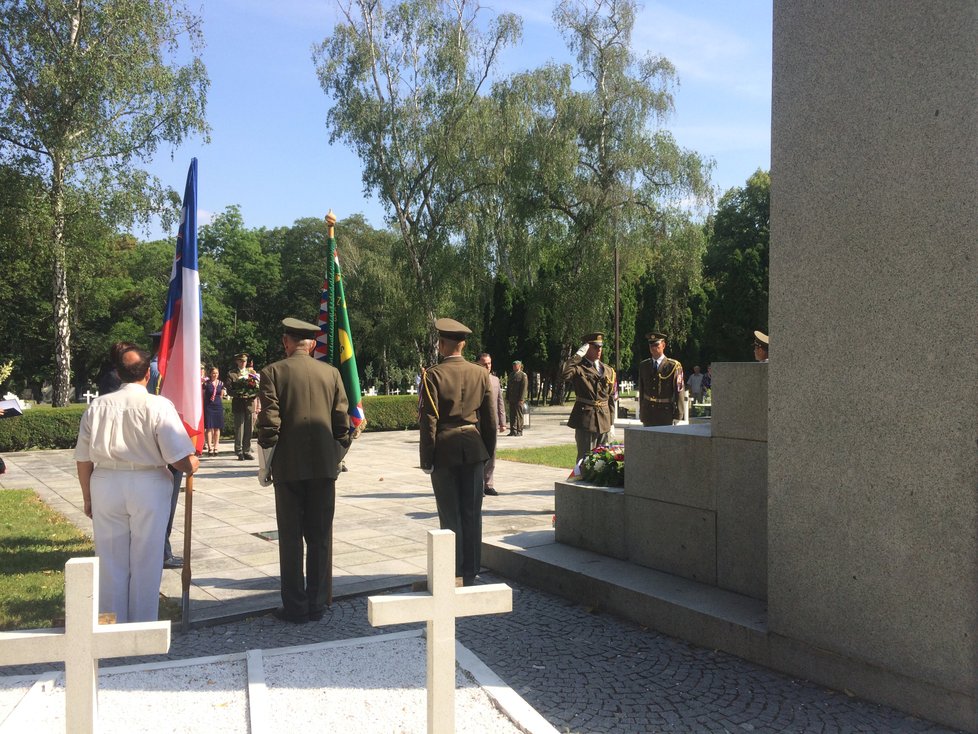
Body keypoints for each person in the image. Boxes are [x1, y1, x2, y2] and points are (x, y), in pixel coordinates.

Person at [73, 345, 199, 623]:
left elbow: (83, 459)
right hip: (147, 483)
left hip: (106, 482)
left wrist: (87, 496)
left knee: (109, 559)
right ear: (148, 375)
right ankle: (142, 627)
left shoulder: (97, 406)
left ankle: (112, 624)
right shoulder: (158, 405)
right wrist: (192, 463)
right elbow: (178, 458)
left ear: (117, 373)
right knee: (147, 558)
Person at [258, 318, 351, 623]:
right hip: (324, 468)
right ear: (312, 345)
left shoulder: (272, 372)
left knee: (290, 537)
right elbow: (342, 424)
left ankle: (295, 605)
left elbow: (270, 423)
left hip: (289, 467)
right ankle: (317, 603)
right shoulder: (332, 373)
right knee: (320, 536)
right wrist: (334, 454)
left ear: (287, 341)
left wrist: (268, 460)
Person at [419, 318, 496, 586]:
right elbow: (490, 421)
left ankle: (452, 572)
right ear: (462, 345)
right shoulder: (481, 374)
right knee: (472, 512)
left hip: (445, 450)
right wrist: (487, 452)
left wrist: (426, 459)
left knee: (449, 514)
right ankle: (471, 570)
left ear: (442, 344)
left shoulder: (434, 375)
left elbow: (429, 420)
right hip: (474, 448)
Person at [561, 332, 617, 464]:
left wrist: (612, 421)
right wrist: (577, 356)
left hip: (604, 419)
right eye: (595, 347)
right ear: (586, 348)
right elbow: (564, 375)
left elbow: (610, 397)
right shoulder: (579, 367)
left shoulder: (608, 370)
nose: (599, 350)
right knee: (585, 459)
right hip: (586, 418)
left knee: (604, 459)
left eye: (600, 347)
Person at [637, 332, 684, 427]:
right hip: (648, 412)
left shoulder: (673, 366)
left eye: (656, 344)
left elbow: (679, 391)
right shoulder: (644, 365)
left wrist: (678, 414)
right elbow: (642, 390)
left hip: (665, 413)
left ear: (663, 345)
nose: (653, 348)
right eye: (651, 345)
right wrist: (642, 412)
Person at [476, 352, 507, 496]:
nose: (487, 366)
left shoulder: (495, 380)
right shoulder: (474, 380)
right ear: (478, 364)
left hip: (492, 423)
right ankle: (478, 485)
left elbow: (500, 401)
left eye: (489, 363)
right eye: (484, 363)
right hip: (477, 422)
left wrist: (503, 422)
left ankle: (488, 484)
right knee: (478, 455)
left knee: (491, 454)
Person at [228, 352, 258, 461]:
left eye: (244, 361)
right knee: (239, 428)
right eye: (241, 361)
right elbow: (229, 390)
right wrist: (240, 393)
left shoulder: (252, 372)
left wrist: (252, 393)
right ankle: (239, 451)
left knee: (249, 429)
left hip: (249, 404)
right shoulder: (232, 374)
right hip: (239, 403)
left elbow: (257, 387)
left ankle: (247, 450)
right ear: (237, 362)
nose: (243, 363)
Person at [202, 367, 225, 456]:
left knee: (217, 427)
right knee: (209, 427)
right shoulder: (206, 383)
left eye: (216, 373)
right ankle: (209, 447)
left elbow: (221, 395)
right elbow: (203, 395)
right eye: (213, 373)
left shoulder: (221, 383)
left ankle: (216, 447)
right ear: (210, 374)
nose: (215, 375)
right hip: (209, 406)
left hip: (218, 406)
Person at [506, 360, 528, 436]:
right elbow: (509, 387)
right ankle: (513, 430)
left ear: (519, 366)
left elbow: (524, 388)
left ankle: (519, 430)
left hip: (518, 399)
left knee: (519, 415)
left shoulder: (523, 375)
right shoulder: (511, 375)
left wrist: (521, 399)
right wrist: (507, 397)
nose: (514, 366)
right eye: (513, 365)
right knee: (512, 415)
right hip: (512, 398)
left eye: (515, 365)